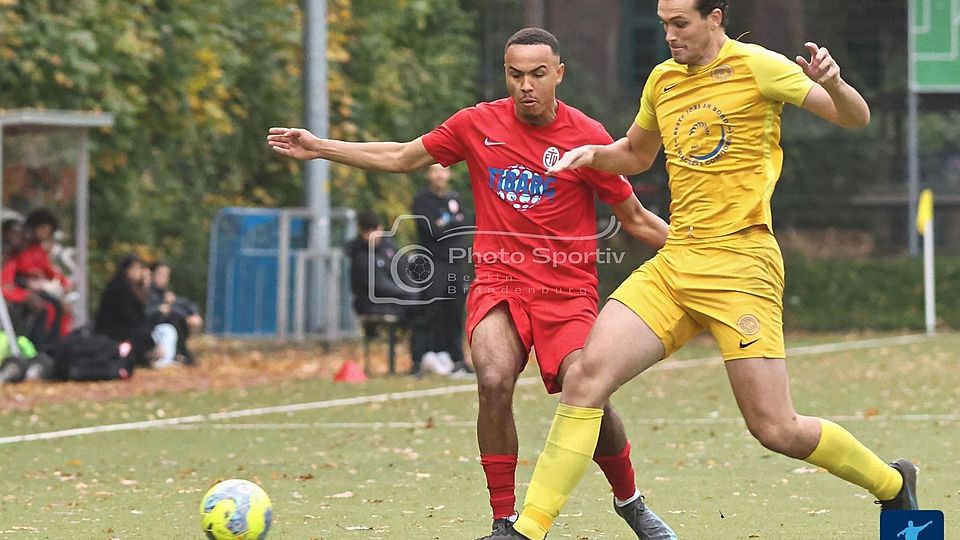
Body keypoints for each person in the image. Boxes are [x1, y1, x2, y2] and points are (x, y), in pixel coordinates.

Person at [495, 2, 918, 539]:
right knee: (585, 379)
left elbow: (855, 116)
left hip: (742, 266)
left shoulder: (758, 66)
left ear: (714, 17)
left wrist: (834, 83)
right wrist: (591, 155)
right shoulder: (663, 79)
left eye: (681, 24)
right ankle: (526, 530)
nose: (669, 36)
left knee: (775, 428)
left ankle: (890, 483)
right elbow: (635, 153)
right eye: (664, 24)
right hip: (676, 262)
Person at [268, 28, 674, 539]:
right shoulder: (477, 124)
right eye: (515, 74)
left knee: (585, 391)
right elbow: (404, 157)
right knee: (493, 376)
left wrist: (705, 253)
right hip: (499, 283)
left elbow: (635, 219)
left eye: (537, 75)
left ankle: (630, 501)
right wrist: (320, 146)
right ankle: (504, 520)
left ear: (559, 74)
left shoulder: (586, 138)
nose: (525, 86)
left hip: (567, 293)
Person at [411, 163, 471, 376]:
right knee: (429, 310)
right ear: (428, 174)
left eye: (442, 170)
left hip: (455, 263)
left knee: (455, 312)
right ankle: (418, 360)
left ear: (448, 174)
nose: (439, 174)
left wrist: (447, 224)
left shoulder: (453, 198)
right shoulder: (422, 200)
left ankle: (457, 359)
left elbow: (465, 223)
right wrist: (451, 223)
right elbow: (431, 230)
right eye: (434, 170)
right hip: (433, 263)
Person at [95, 255, 177, 368]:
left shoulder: (137, 289)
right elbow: (133, 320)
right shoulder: (120, 289)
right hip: (117, 334)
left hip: (128, 332)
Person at [147, 261, 203, 365]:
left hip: (166, 329)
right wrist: (158, 309)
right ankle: (181, 353)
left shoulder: (165, 294)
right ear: (152, 274)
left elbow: (187, 304)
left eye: (166, 275)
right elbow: (144, 313)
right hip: (151, 331)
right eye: (160, 274)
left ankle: (180, 353)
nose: (164, 278)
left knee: (175, 316)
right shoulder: (146, 292)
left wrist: (193, 314)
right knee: (174, 318)